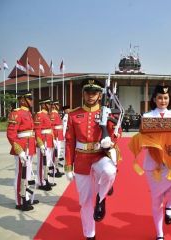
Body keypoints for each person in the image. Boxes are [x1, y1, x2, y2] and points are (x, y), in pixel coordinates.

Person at [65, 79, 121, 240]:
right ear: (83, 93)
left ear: (99, 94)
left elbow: (117, 132)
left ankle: (101, 198)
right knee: (85, 203)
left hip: (99, 155)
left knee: (110, 171)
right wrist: (69, 166)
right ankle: (90, 235)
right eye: (88, 92)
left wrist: (110, 141)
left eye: (94, 92)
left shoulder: (107, 113)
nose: (91, 96)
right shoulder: (73, 115)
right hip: (82, 159)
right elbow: (69, 141)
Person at [142, 85, 171, 240]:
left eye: (166, 98)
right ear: (154, 99)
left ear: (169, 99)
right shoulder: (147, 117)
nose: (163, 100)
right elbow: (144, 139)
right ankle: (159, 234)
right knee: (156, 200)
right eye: (160, 97)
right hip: (153, 163)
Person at [6, 91, 39, 211]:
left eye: (31, 98)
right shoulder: (17, 113)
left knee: (28, 174)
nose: (32, 100)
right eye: (29, 98)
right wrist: (19, 151)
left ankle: (27, 197)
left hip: (29, 146)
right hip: (21, 147)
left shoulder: (28, 113)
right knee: (20, 174)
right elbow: (11, 134)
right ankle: (20, 202)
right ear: (22, 100)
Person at [34, 98, 55, 191]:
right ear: (43, 105)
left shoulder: (47, 114)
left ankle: (45, 179)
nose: (50, 106)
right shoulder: (39, 115)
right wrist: (40, 143)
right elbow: (37, 130)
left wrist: (53, 138)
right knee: (42, 163)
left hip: (49, 139)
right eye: (48, 104)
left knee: (48, 162)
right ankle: (40, 182)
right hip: (43, 140)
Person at [49, 100, 64, 178]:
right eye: (56, 104)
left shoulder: (56, 113)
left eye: (58, 104)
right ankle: (52, 170)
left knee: (57, 154)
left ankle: (56, 168)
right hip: (56, 135)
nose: (58, 106)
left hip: (59, 134)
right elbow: (51, 126)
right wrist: (53, 137)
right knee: (54, 154)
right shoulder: (53, 114)